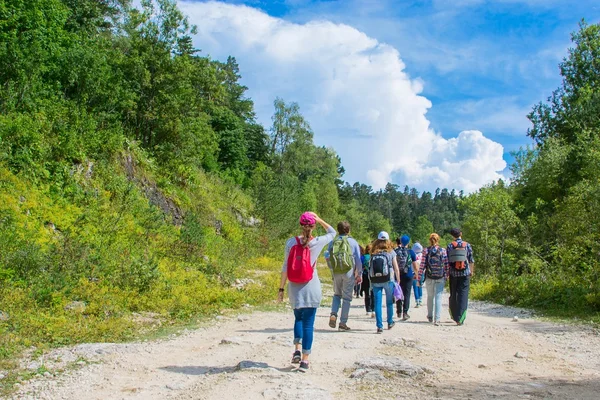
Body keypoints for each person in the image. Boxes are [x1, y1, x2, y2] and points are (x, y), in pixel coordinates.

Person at [278, 212, 336, 372]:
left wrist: (281, 288)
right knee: (309, 325)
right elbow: (332, 232)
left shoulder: (290, 243)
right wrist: (320, 219)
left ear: (300, 225)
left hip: (294, 287)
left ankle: (296, 350)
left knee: (298, 319)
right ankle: (305, 360)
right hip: (311, 287)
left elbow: (284, 267)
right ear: (313, 226)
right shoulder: (317, 242)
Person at [327, 221, 362, 331]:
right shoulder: (353, 242)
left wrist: (332, 270)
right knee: (346, 298)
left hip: (336, 271)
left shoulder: (332, 242)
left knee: (337, 294)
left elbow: (328, 257)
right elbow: (358, 260)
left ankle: (333, 314)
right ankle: (342, 323)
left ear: (338, 230)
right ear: (348, 230)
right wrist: (359, 273)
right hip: (348, 271)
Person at [369, 231, 401, 334]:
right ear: (388, 240)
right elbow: (396, 267)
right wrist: (398, 279)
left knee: (377, 302)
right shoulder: (391, 252)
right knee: (389, 302)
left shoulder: (374, 252)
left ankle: (379, 326)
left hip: (375, 280)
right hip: (389, 279)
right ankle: (390, 322)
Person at [418, 233, 449, 326]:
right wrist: (447, 275)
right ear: (438, 240)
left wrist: (419, 278)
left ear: (429, 240)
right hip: (440, 276)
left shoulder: (426, 250)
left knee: (430, 296)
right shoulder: (443, 250)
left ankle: (430, 316)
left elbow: (422, 265)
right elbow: (446, 264)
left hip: (429, 276)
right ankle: (437, 319)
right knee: (438, 297)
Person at [447, 228, 475, 326]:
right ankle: (461, 318)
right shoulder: (467, 245)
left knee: (454, 294)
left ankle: (454, 315)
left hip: (453, 274)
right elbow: (471, 259)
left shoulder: (450, 245)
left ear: (452, 236)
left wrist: (447, 273)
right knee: (463, 295)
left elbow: (448, 261)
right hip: (465, 273)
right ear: (461, 234)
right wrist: (471, 271)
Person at [395, 235, 419, 321]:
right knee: (407, 294)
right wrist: (417, 275)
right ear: (408, 242)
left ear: (400, 241)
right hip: (408, 275)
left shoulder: (395, 251)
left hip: (398, 275)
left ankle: (398, 311)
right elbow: (415, 266)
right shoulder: (411, 252)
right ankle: (405, 312)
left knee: (398, 292)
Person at [360, 244, 374, 317]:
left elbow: (360, 266)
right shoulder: (373, 256)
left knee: (367, 293)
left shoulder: (363, 257)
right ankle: (373, 309)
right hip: (373, 276)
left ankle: (368, 310)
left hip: (365, 276)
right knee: (373, 292)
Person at [411, 242, 424, 307]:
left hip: (414, 272)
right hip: (421, 273)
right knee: (420, 286)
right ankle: (421, 299)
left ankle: (417, 301)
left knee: (415, 287)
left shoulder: (412, 255)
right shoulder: (422, 255)